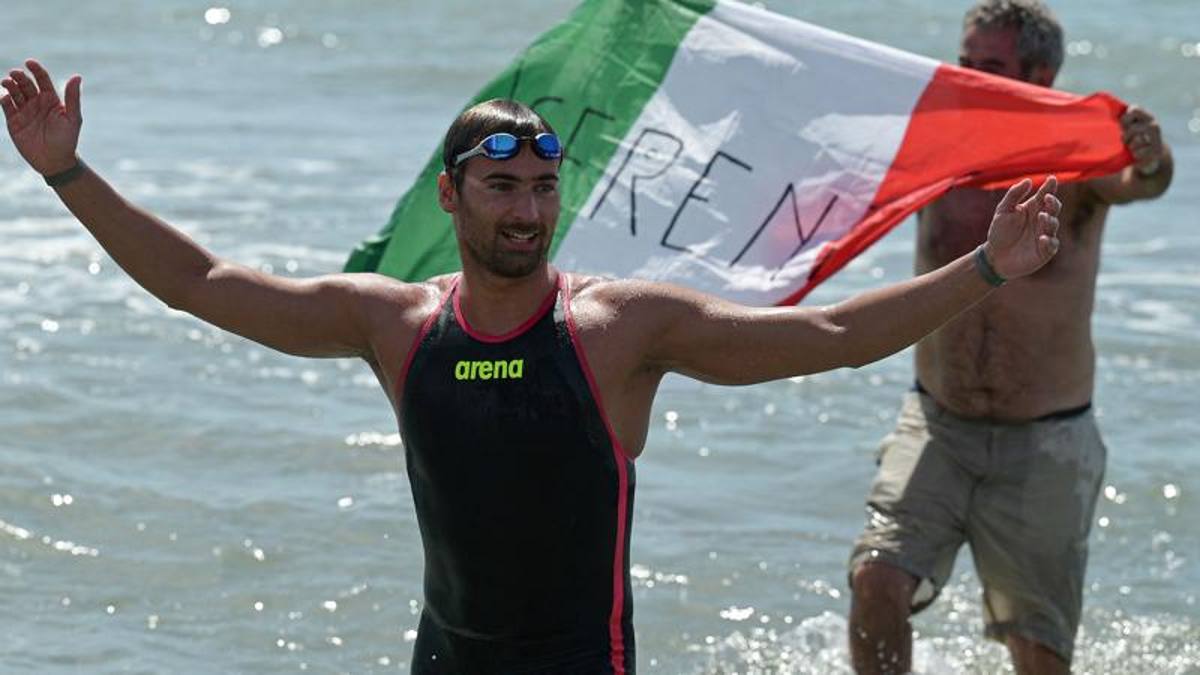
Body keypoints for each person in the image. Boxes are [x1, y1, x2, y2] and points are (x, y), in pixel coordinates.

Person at [3, 59, 1063, 675]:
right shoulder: (396, 324)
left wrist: (985, 268)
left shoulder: (618, 329)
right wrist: (68, 175)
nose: (529, 211)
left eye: (545, 188)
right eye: (502, 189)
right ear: (452, 200)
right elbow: (200, 282)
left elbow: (827, 339)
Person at [846, 2, 1174, 674]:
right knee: (876, 580)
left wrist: (1153, 153)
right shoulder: (937, 141)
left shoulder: (1079, 155)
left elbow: (1146, 183)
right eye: (964, 64)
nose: (969, 79)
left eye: (988, 67)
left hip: (1046, 440)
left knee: (1039, 652)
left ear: (1042, 73)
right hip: (937, 424)